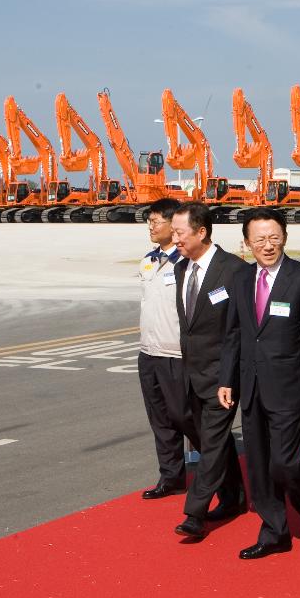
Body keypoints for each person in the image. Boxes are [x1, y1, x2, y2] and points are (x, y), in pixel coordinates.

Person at [217, 208, 300, 559]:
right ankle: (274, 530)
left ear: (285, 238)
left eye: (274, 237)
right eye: (260, 239)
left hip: (289, 386)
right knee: (260, 465)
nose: (268, 245)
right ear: (247, 243)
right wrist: (227, 379)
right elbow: (233, 333)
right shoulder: (241, 278)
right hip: (250, 386)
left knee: (284, 462)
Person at [170, 202, 248, 541]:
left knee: (212, 443)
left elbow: (239, 329)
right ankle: (234, 496)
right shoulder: (180, 269)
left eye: (179, 233)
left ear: (201, 232)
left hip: (223, 377)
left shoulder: (233, 270)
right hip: (191, 373)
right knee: (207, 437)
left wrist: (230, 376)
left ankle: (195, 512)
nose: (175, 240)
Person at [137, 199, 196, 500]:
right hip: (149, 352)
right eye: (149, 220)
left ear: (173, 227)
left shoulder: (186, 263)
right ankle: (171, 476)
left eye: (157, 220)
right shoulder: (149, 260)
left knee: (184, 416)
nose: (151, 225)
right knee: (159, 417)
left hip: (175, 354)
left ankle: (214, 466)